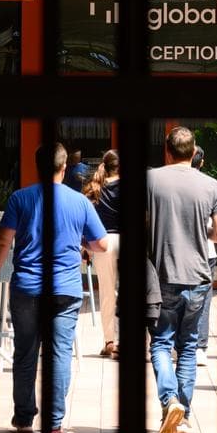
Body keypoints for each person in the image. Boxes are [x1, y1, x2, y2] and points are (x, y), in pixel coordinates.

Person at [0, 143, 109, 433]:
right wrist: (81, 243)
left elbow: (3, 241)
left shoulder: (20, 198)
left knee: (25, 353)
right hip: (65, 290)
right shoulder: (80, 202)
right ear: (64, 168)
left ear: (36, 166)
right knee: (59, 355)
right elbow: (102, 244)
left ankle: (22, 417)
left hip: (27, 287)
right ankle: (54, 423)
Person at [147, 126, 217, 433]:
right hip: (199, 276)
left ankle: (170, 400)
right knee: (188, 346)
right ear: (194, 153)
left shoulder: (150, 179)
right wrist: (197, 230)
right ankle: (185, 415)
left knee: (161, 343)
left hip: (162, 273)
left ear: (167, 151)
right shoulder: (212, 185)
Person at [83, 149, 122, 358]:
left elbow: (85, 222)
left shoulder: (94, 188)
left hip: (103, 244)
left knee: (107, 294)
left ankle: (109, 341)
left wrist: (86, 247)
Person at [190, 146, 217, 367]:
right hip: (205, 250)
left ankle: (177, 345)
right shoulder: (211, 186)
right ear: (201, 162)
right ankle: (199, 347)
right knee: (203, 299)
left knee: (172, 296)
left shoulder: (164, 183)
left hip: (173, 250)